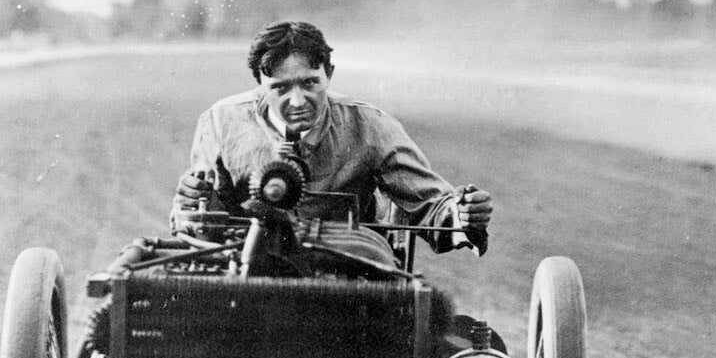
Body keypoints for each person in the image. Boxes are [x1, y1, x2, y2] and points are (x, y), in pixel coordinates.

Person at [170, 19, 492, 253]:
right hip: (249, 267)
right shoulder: (220, 122)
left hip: (349, 272)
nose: (297, 102)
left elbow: (431, 204)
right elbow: (199, 219)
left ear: (329, 74)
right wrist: (191, 201)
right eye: (280, 88)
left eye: (309, 83)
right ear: (259, 83)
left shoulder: (370, 126)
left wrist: (462, 214)